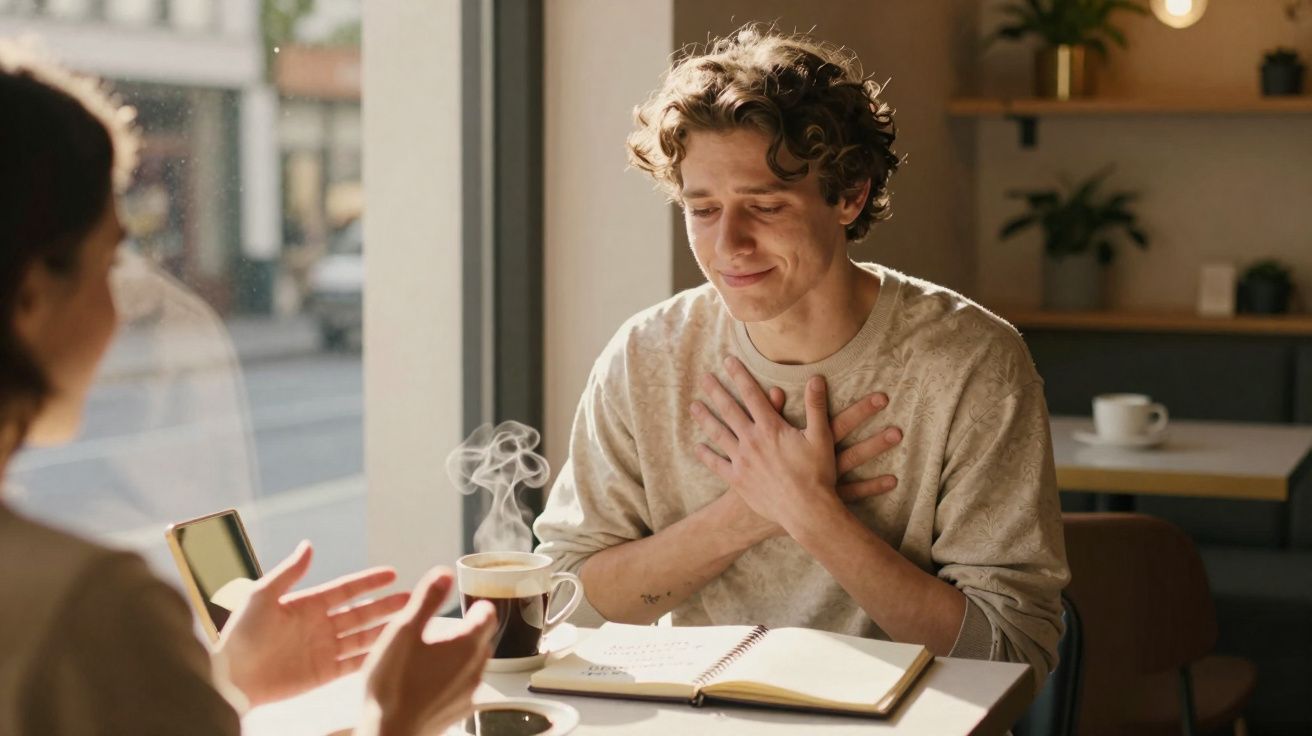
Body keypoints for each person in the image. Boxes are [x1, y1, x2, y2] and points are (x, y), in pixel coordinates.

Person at [534, 25, 1069, 686]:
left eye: (764, 206)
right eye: (703, 210)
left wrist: (813, 515)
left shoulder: (971, 363)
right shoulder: (647, 355)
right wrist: (744, 515)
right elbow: (565, 605)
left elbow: (1011, 654)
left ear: (850, 195)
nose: (729, 246)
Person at [0, 41, 496, 735]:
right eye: (110, 263)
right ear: (31, 295)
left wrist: (227, 681)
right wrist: (397, 719)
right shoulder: (90, 609)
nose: (122, 309)